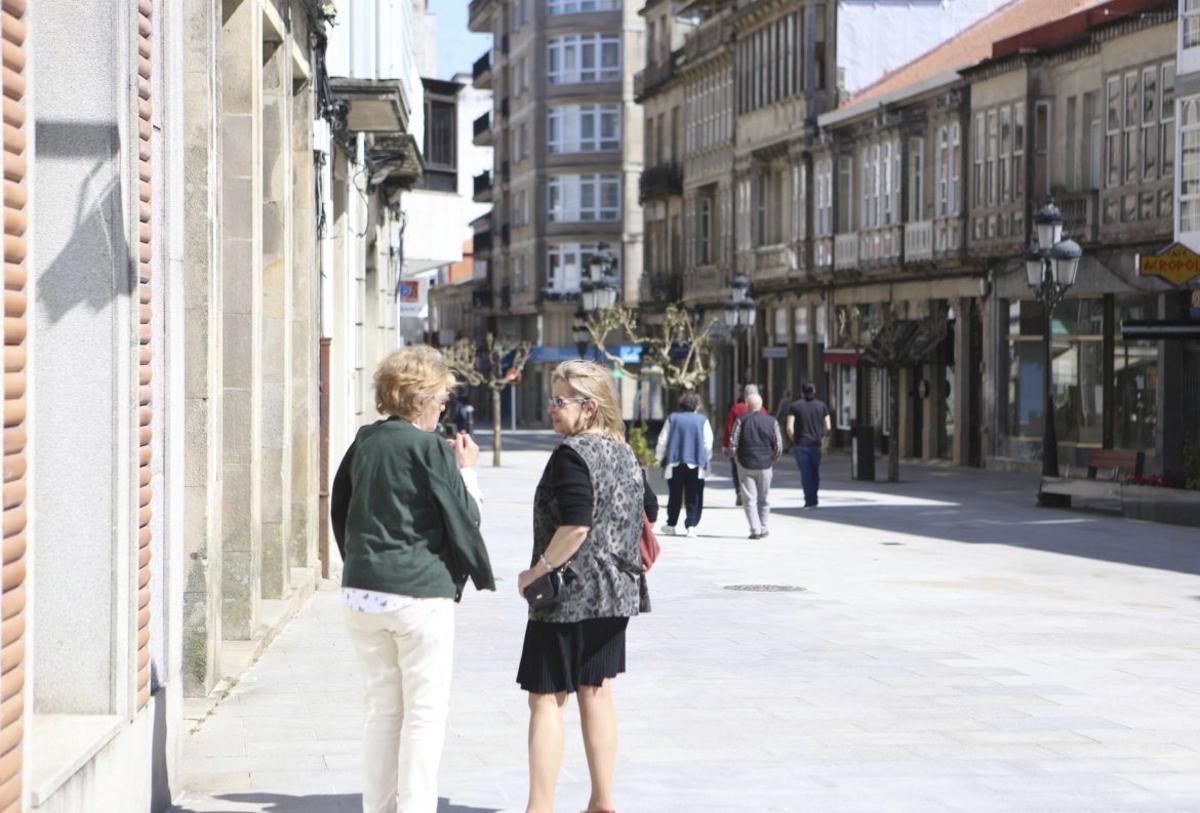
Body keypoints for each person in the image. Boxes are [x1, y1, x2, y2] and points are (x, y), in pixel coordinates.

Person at [331, 346, 496, 813]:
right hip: (419, 595)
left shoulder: (365, 440)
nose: (445, 405)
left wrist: (361, 560)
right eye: (442, 397)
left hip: (363, 593)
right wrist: (468, 472)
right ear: (420, 397)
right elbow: (467, 519)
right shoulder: (428, 449)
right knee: (424, 716)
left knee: (382, 714)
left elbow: (340, 508)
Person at [516, 360, 658, 813]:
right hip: (618, 591)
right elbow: (648, 507)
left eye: (561, 401)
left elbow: (575, 525)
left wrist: (537, 571)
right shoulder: (625, 452)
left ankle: (539, 807)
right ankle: (602, 800)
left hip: (568, 594)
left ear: (590, 407)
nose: (552, 409)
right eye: (552, 399)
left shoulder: (571, 455)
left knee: (546, 698)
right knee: (596, 689)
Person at [655, 390, 713, 537]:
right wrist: (706, 460)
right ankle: (691, 525)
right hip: (696, 463)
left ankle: (671, 524)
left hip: (675, 463)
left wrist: (659, 457)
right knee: (694, 494)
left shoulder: (672, 418)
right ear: (697, 405)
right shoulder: (702, 420)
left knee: (674, 495)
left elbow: (663, 440)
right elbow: (708, 444)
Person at [730, 391, 783, 539]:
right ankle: (764, 527)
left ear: (747, 406)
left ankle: (755, 529)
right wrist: (774, 458)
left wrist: (736, 458)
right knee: (764, 499)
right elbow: (778, 444)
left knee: (749, 499)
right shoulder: (772, 421)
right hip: (766, 465)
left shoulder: (741, 420)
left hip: (746, 464)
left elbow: (733, 442)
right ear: (761, 406)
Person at [787, 382, 832, 510]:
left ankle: (809, 501)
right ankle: (814, 497)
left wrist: (794, 439)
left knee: (806, 473)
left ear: (801, 392)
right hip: (816, 444)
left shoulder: (795, 406)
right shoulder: (822, 406)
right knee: (814, 472)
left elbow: (790, 427)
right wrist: (821, 436)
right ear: (814, 391)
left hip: (801, 444)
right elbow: (828, 426)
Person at [723, 384, 766, 506]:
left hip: (739, 446)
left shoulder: (736, 409)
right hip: (759, 446)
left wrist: (726, 445)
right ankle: (755, 493)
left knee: (737, 470)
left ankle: (739, 492)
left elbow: (729, 428)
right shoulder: (762, 410)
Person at [775, 388, 794, 453]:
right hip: (790, 418)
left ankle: (785, 447)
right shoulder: (792, 401)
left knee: (782, 432)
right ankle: (790, 445)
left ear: (785, 394)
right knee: (789, 432)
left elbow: (779, 410)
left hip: (782, 418)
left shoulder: (783, 401)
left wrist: (776, 418)